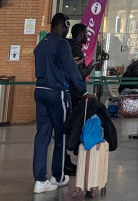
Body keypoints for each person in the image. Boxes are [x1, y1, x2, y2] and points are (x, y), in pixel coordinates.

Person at [32, 13, 95, 194]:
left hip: (40, 91)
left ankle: (40, 180)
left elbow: (47, 66)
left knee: (42, 136)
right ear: (62, 25)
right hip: (57, 93)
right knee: (61, 134)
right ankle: (58, 177)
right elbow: (72, 70)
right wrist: (83, 91)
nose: (68, 31)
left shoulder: (41, 44)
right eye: (67, 27)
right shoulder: (62, 44)